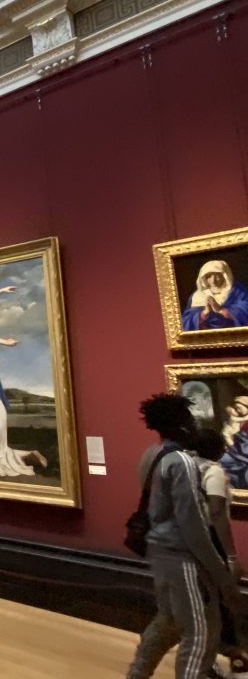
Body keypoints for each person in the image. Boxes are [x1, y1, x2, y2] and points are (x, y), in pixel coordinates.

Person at [127, 393, 242, 679]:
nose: (194, 423)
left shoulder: (151, 455)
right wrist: (221, 573)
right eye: (190, 418)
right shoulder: (180, 461)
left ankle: (137, 674)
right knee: (202, 630)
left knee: (167, 622)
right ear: (181, 424)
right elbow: (192, 524)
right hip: (181, 555)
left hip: (159, 551)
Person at [194, 428, 248, 678]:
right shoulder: (213, 471)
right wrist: (232, 557)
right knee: (226, 599)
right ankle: (233, 651)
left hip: (191, 539)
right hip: (212, 540)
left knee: (208, 602)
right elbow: (216, 511)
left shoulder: (188, 467)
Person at [182, 260, 248, 331]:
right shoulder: (198, 296)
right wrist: (204, 313)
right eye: (209, 276)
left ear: (224, 275)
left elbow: (245, 311)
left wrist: (221, 310)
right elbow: (186, 322)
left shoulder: (236, 291)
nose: (213, 281)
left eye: (217, 276)